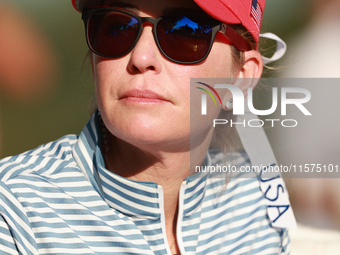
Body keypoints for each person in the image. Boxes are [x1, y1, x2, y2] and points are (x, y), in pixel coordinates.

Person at [0, 0, 294, 254]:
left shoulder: (260, 201)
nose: (141, 59)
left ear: (241, 77)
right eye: (115, 27)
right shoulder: (16, 210)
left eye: (185, 31)